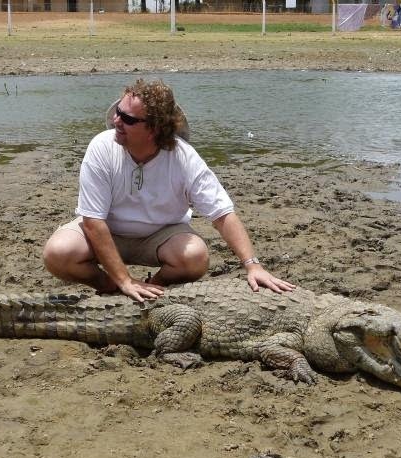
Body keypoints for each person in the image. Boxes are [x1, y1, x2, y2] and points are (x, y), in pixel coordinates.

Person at [42, 78, 295, 302]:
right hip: (108, 231)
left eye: (128, 119)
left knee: (195, 257)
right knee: (58, 253)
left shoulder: (183, 157)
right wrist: (123, 280)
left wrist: (252, 266)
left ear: (153, 129)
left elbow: (222, 214)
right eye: (118, 111)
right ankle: (110, 287)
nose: (116, 121)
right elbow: (93, 221)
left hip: (161, 235)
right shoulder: (101, 146)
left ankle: (155, 287)